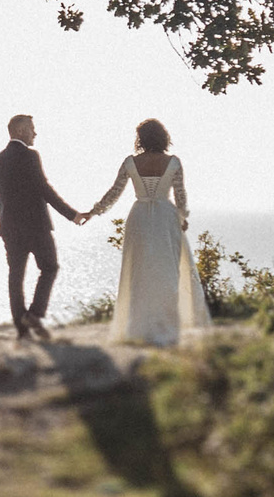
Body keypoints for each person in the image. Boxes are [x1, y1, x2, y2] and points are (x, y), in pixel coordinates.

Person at [86, 118, 213, 347]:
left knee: (139, 272)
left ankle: (139, 327)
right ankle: (167, 327)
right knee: (167, 272)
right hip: (166, 217)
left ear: (141, 139)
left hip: (140, 217)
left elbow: (114, 192)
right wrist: (182, 218)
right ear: (163, 137)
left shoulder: (130, 162)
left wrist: (94, 211)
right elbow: (180, 195)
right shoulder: (173, 162)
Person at [0, 113, 87, 341]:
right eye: (32, 128)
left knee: (16, 276)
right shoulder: (31, 156)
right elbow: (44, 189)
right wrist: (72, 214)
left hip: (9, 228)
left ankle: (22, 330)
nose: (35, 133)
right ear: (21, 131)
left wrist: (4, 221)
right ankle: (33, 315)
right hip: (36, 226)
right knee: (49, 267)